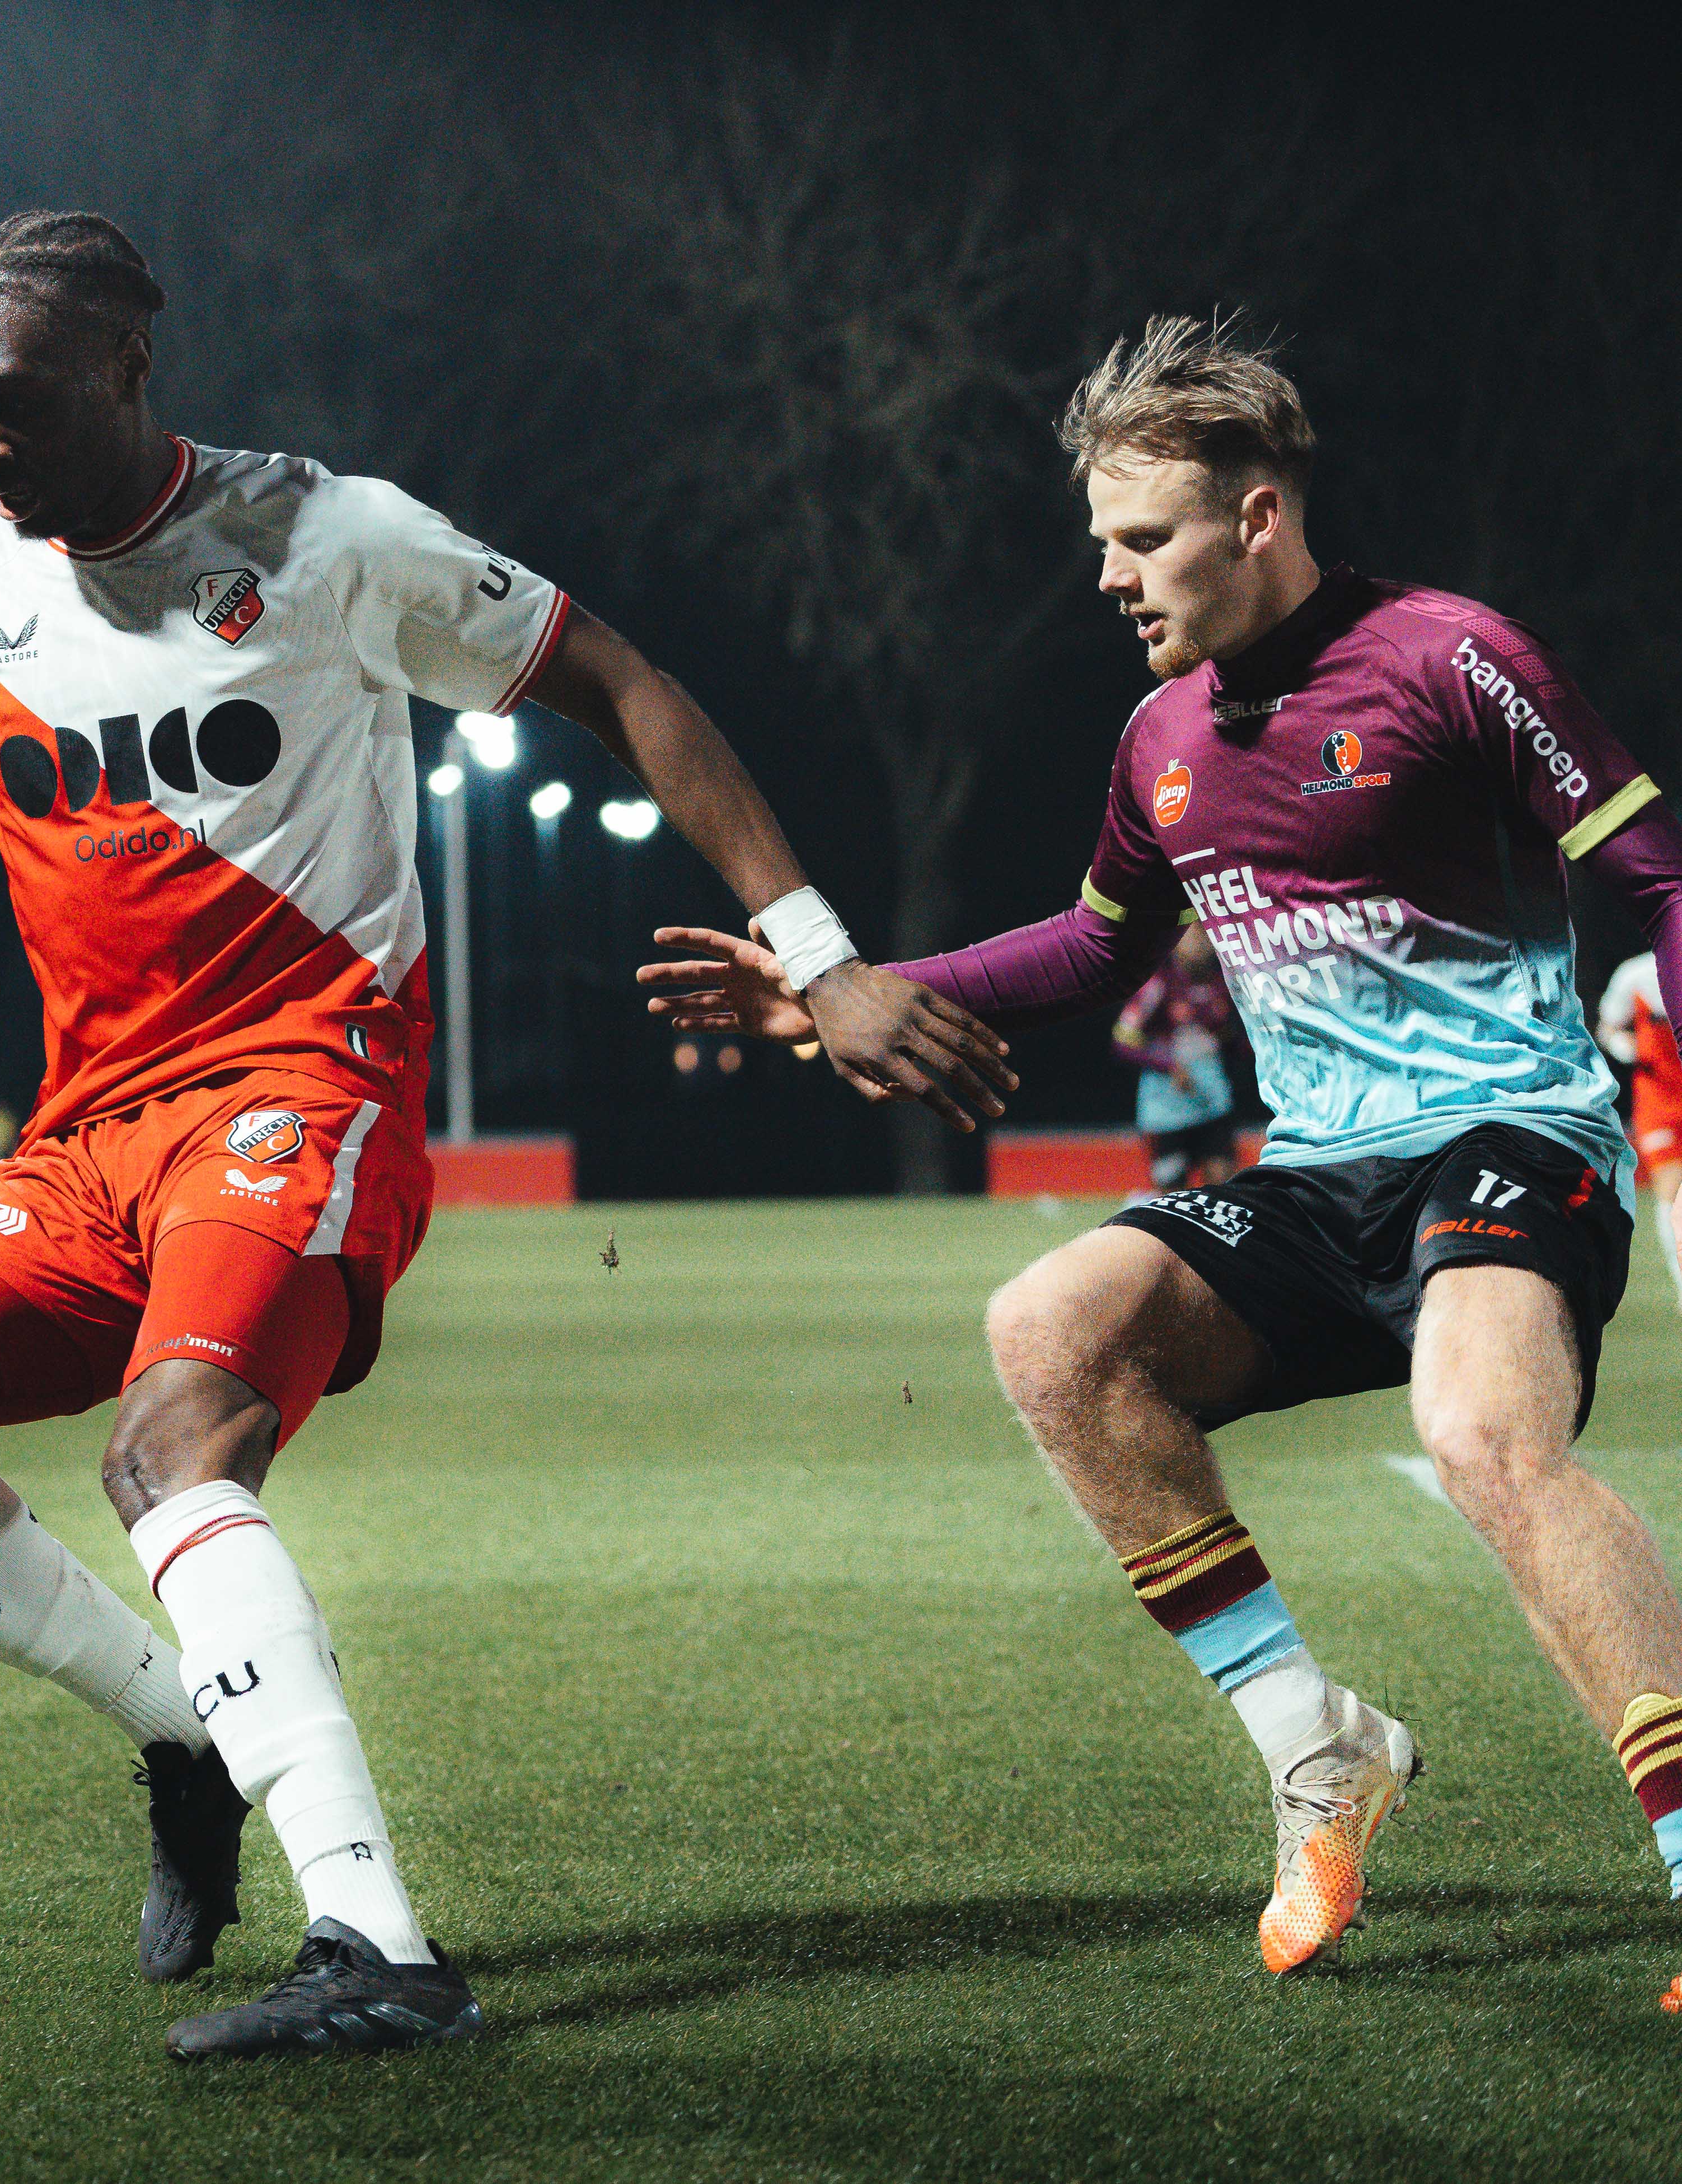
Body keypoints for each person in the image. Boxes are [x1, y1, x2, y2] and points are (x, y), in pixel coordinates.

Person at [0, 210, 1008, 2058]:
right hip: (84, 1145)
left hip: (305, 1085)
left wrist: (822, 954)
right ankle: (181, 1728)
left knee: (172, 1444)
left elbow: (622, 682)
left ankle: (376, 1947)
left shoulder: (325, 540)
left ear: (131, 372)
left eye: (22, 403)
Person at [645, 316, 1682, 1975]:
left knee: (1482, 1430)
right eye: (1099, 545)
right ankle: (1315, 1745)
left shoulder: (1450, 657)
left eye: (1143, 540)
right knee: (1050, 1328)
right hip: (1317, 1176)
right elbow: (1091, 952)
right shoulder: (1160, 742)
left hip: (1509, 1135)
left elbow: (1651, 879)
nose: (1112, 577)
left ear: (1257, 518)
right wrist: (844, 993)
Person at [1113, 922, 1243, 1191]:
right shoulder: (1159, 982)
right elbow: (1123, 1039)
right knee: (1172, 1197)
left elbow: (1229, 1038)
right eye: (1193, 934)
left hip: (1213, 1102)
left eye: (1206, 934)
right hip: (1167, 1109)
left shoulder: (1222, 981)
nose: (1201, 942)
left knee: (1223, 1190)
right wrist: (1169, 1065)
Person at [1595, 952, 1682, 1312]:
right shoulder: (1637, 974)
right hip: (1660, 1101)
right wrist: (1624, 1047)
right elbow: (1608, 1025)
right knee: (1673, 1191)